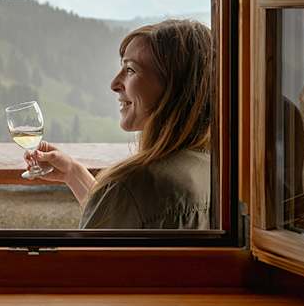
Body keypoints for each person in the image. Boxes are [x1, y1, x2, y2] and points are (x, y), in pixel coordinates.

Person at [30, 19, 213, 229]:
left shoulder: (135, 185)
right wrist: (73, 173)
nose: (114, 84)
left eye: (131, 70)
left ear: (173, 88)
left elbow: (89, 258)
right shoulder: (221, 170)